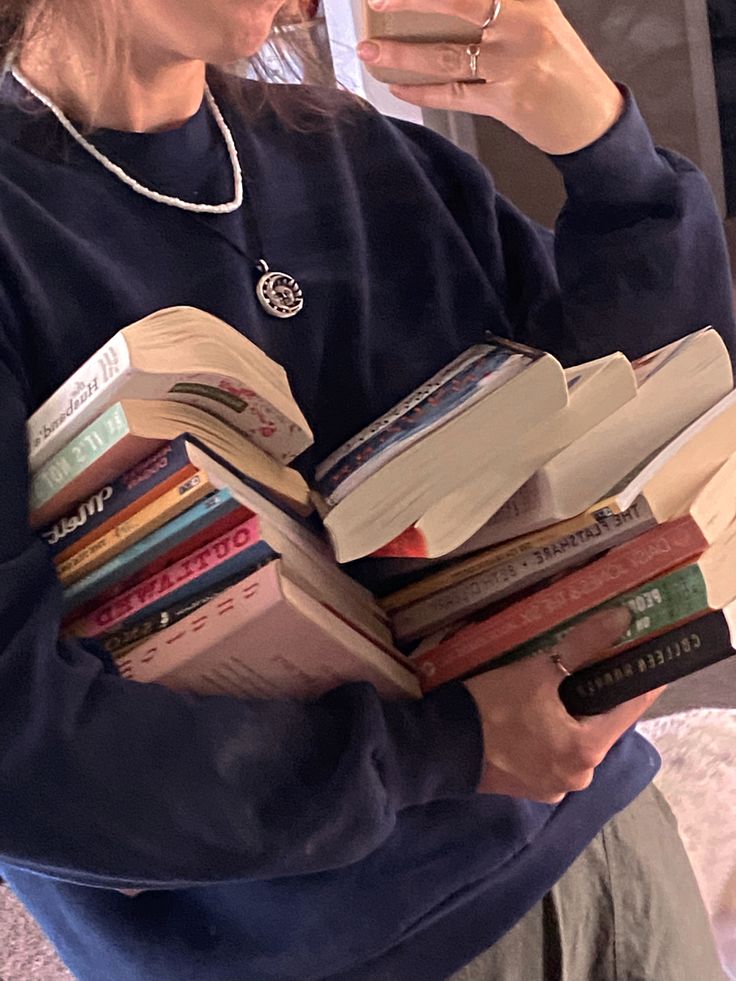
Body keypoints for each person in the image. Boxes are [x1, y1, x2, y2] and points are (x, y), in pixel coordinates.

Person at [0, 1, 731, 978]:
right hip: (322, 952)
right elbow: (23, 748)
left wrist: (603, 152)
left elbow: (649, 425)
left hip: (601, 850)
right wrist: (440, 748)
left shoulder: (371, 158)